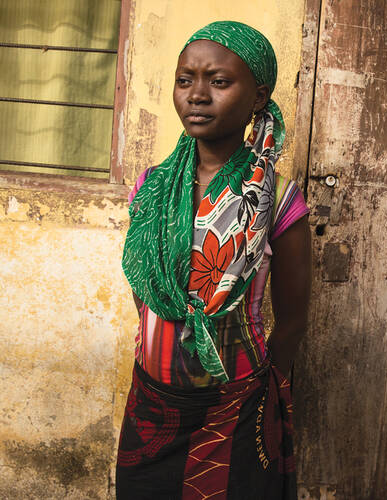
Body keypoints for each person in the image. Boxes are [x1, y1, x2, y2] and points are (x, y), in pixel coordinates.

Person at [116, 21, 311, 499]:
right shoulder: (152, 188)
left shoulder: (278, 200)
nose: (196, 95)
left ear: (258, 97)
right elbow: (143, 293)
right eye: (186, 80)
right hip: (152, 402)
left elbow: (292, 321)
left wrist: (265, 395)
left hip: (235, 407)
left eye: (219, 82)